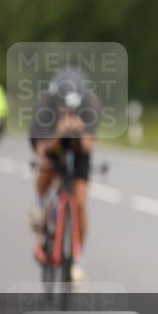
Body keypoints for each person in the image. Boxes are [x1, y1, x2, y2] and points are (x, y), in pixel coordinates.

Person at [29, 67, 100, 280]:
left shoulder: (91, 105)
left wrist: (77, 132)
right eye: (63, 110)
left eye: (72, 111)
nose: (68, 115)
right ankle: (40, 204)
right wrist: (59, 135)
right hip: (51, 140)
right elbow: (41, 149)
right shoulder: (45, 105)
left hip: (78, 147)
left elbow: (88, 146)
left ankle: (78, 257)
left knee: (79, 200)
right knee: (47, 166)